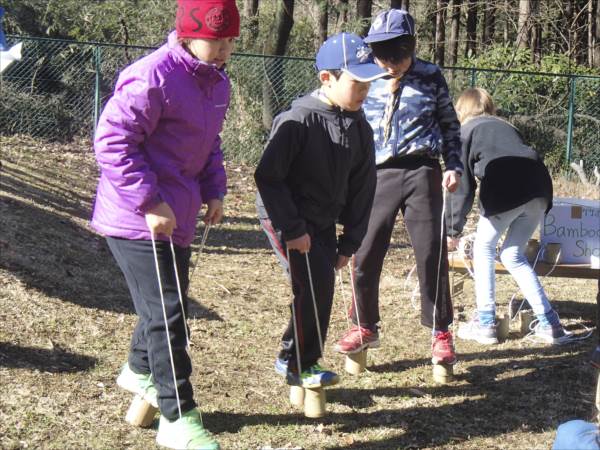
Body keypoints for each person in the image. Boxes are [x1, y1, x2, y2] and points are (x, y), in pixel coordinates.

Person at [91, 1, 239, 448]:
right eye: (216, 40)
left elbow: (208, 144)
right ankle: (178, 417)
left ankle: (139, 370)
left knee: (164, 304)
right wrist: (149, 200)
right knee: (168, 313)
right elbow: (112, 140)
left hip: (178, 214)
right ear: (188, 33)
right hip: (136, 217)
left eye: (230, 41)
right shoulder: (152, 75)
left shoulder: (217, 84)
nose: (224, 50)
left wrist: (214, 189)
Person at [333, 9, 463, 369]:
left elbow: (451, 126)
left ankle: (440, 332)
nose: (390, 64)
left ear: (411, 47)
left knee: (430, 253)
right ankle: (364, 323)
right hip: (375, 173)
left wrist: (453, 165)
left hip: (422, 170)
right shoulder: (365, 75)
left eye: (397, 56)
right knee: (364, 248)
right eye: (382, 56)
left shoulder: (431, 76)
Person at [255, 32, 386, 388]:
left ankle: (289, 356)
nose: (365, 92)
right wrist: (293, 228)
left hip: (324, 220)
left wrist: (350, 241)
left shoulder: (360, 127)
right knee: (314, 284)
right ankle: (303, 364)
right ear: (327, 78)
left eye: (369, 84)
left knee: (318, 287)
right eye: (357, 83)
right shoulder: (297, 120)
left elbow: (363, 188)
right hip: (286, 216)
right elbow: (268, 177)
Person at [446, 87, 570, 345]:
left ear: (461, 110)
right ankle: (550, 324)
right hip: (540, 189)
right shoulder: (506, 127)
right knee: (512, 254)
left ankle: (486, 322)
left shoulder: (465, 131)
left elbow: (463, 185)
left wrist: (452, 230)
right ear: (490, 108)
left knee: (483, 249)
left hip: (507, 187)